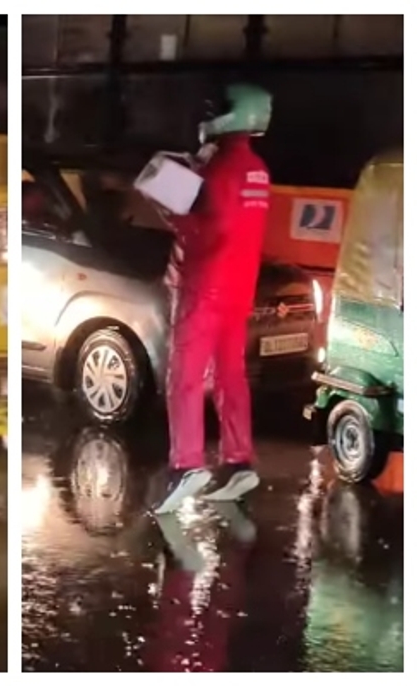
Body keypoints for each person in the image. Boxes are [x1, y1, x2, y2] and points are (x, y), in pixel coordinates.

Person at [154, 83, 273, 514]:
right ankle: (238, 459)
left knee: (184, 377)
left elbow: (198, 228)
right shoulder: (257, 169)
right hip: (241, 287)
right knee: (230, 375)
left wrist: (169, 204)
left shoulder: (216, 170)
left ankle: (185, 464)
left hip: (204, 285)